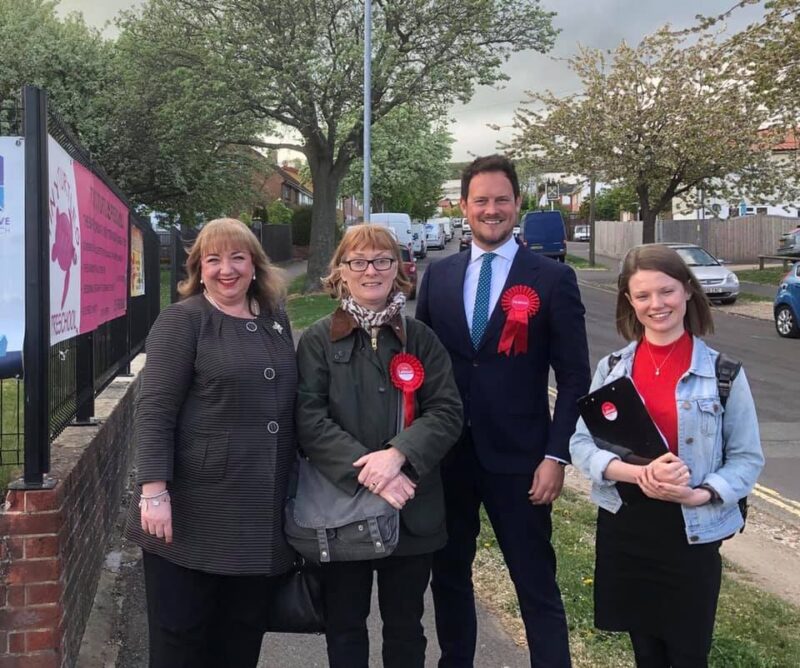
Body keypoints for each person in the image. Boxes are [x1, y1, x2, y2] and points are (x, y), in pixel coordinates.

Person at [416, 154, 591, 667]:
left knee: (534, 581)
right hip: (448, 458)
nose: (491, 210)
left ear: (517, 204)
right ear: (463, 207)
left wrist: (556, 456)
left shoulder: (552, 279)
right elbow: (420, 364)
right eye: (480, 201)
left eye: (501, 200)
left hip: (523, 461)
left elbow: (575, 376)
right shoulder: (439, 275)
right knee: (449, 577)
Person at [569, 244, 764, 667]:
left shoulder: (723, 374)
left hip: (689, 533)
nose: (656, 304)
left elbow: (747, 459)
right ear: (629, 301)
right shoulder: (614, 367)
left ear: (688, 291)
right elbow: (581, 444)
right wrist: (634, 474)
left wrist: (701, 494)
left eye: (666, 291)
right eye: (642, 295)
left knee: (688, 653)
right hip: (628, 526)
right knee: (646, 653)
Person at [124, 218, 297, 668]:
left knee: (239, 645)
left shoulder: (275, 319)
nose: (226, 269)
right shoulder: (182, 322)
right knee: (181, 644)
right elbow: (155, 411)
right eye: (213, 259)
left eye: (237, 258)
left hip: (260, 517)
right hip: (191, 515)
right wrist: (153, 491)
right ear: (198, 269)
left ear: (254, 265)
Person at [295, 224, 463, 668]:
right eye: (359, 261)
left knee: (406, 628)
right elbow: (309, 419)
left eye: (382, 260)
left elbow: (447, 412)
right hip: (342, 512)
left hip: (412, 508)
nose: (371, 270)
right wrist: (369, 476)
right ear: (342, 271)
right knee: (345, 626)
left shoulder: (420, 338)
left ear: (398, 268)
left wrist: (397, 457)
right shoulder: (316, 341)